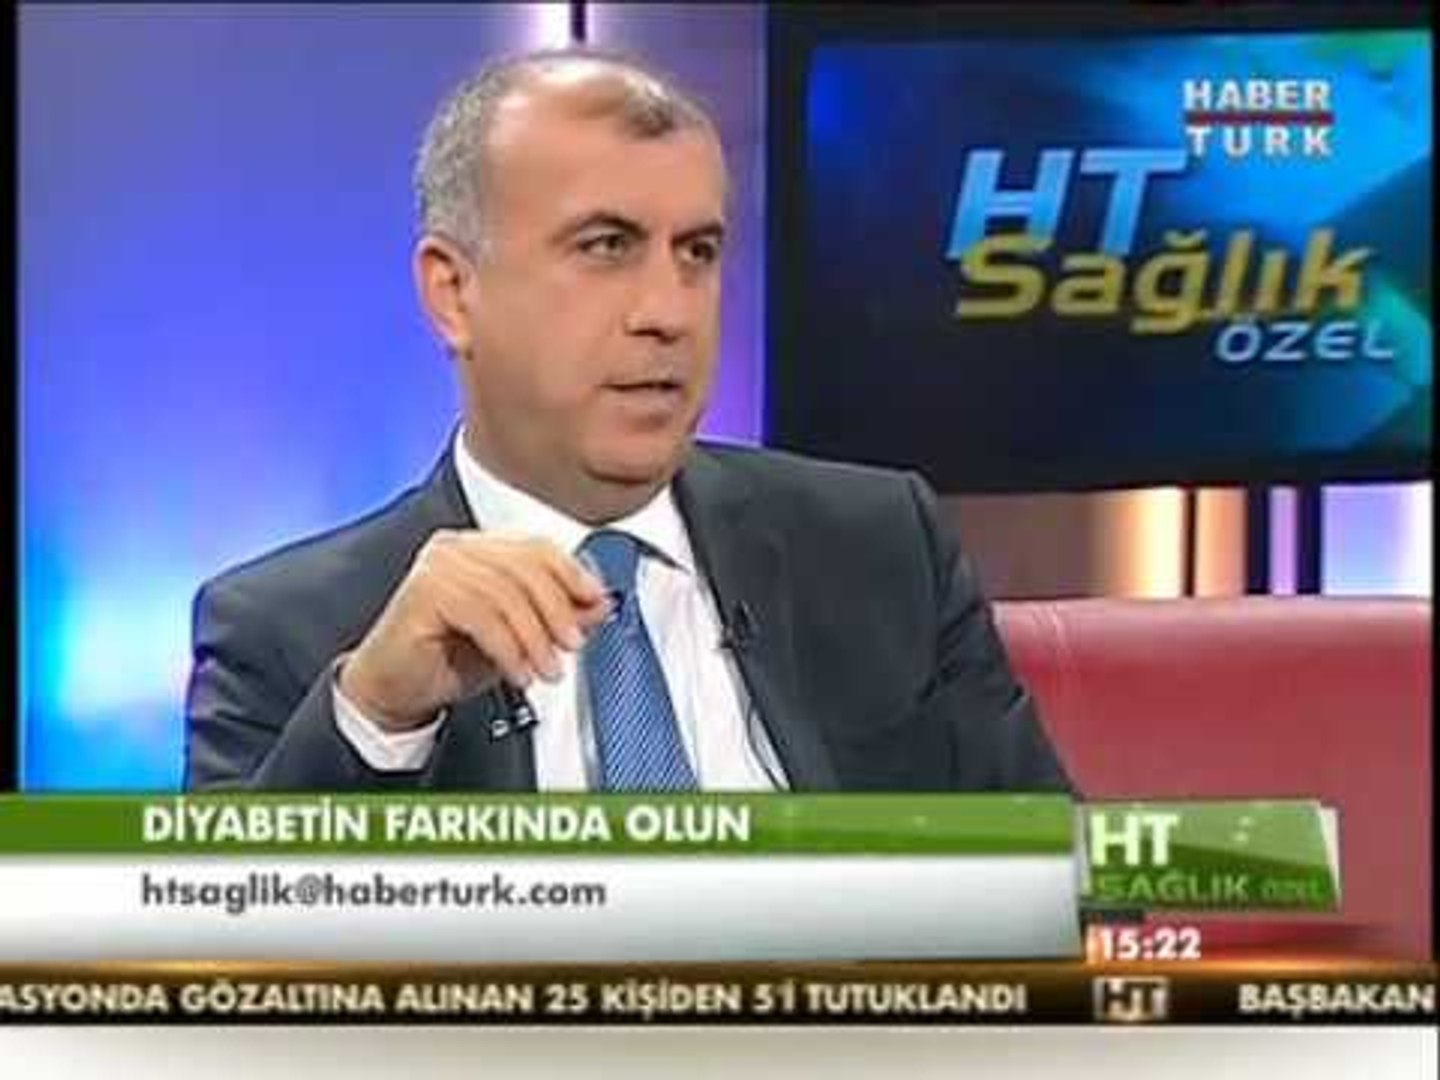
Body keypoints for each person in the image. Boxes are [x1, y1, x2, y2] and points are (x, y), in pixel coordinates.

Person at [184, 46, 1072, 794]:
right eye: (606, 247)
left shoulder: (881, 548)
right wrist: (380, 715)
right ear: (453, 293)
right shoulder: (287, 632)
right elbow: (235, 942)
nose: (669, 312)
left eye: (698, 252)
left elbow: (1071, 893)